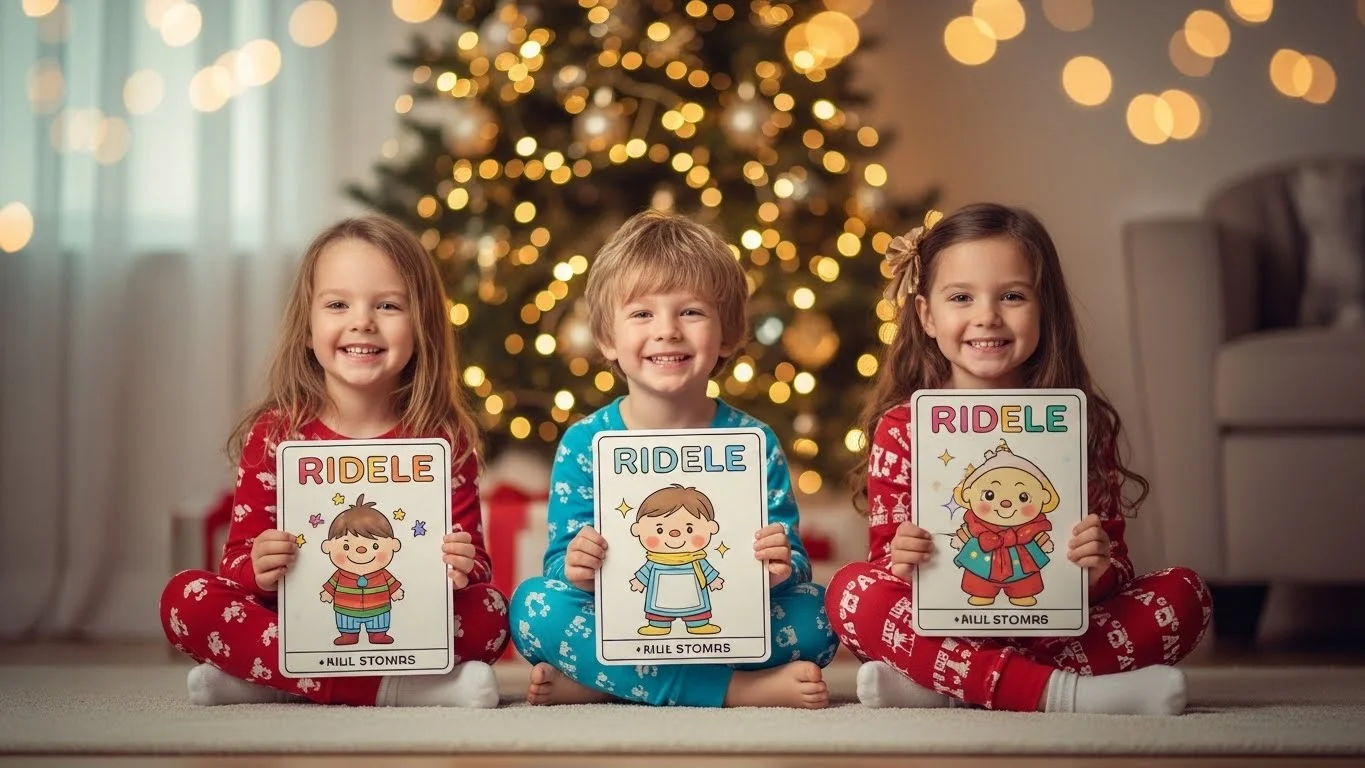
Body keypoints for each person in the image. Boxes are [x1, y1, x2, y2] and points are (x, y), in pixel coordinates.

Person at [825, 203, 1211, 715]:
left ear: (1043, 309)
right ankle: (1065, 694)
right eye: (961, 297)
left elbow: (1115, 567)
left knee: (1186, 594)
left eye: (1011, 296)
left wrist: (1097, 568)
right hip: (949, 618)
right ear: (926, 315)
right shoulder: (902, 429)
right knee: (851, 592)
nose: (987, 315)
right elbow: (885, 569)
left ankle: (946, 686)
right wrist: (904, 558)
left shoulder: (1081, 423)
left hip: (1053, 629)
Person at [159, 215, 508, 707]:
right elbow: (235, 561)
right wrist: (257, 567)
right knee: (185, 598)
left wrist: (461, 565)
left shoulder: (444, 440)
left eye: (387, 305)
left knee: (491, 612)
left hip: (403, 622)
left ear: (422, 327)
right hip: (291, 620)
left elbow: (478, 571)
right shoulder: (275, 437)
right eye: (338, 304)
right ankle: (396, 691)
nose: (362, 321)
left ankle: (265, 682)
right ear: (307, 328)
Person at [508, 210, 838, 708]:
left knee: (821, 617)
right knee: (534, 608)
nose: (668, 331)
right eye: (642, 314)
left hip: (725, 622)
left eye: (691, 312)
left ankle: (608, 684)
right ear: (606, 340)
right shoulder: (583, 442)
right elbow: (558, 565)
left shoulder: (753, 438)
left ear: (727, 335)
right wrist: (574, 569)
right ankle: (734, 692)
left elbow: (794, 562)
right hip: (623, 622)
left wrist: (780, 566)